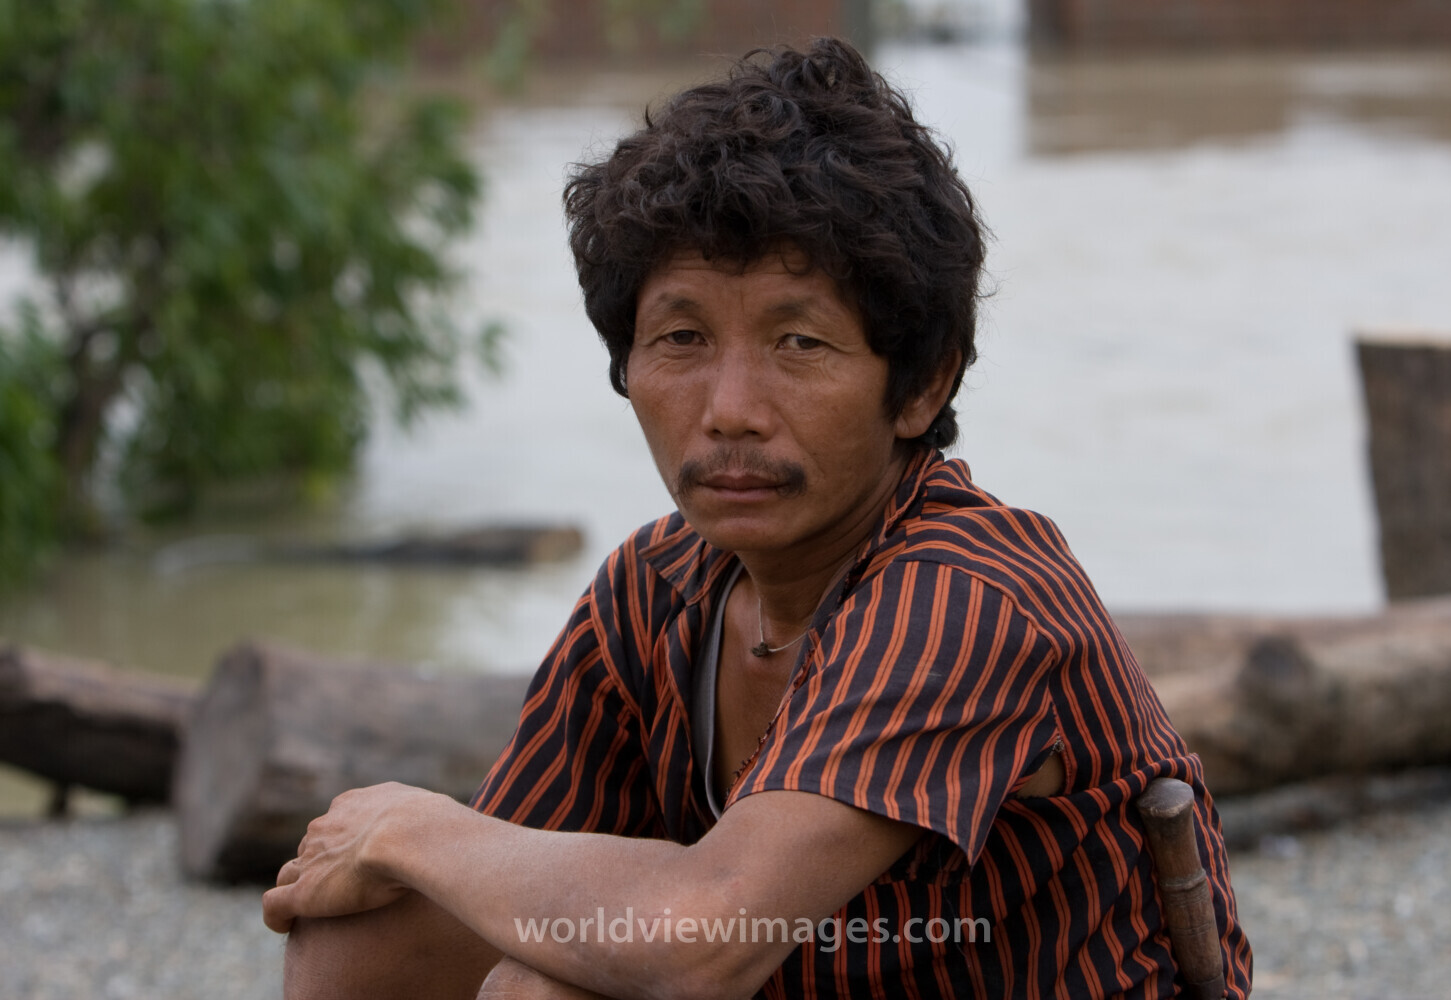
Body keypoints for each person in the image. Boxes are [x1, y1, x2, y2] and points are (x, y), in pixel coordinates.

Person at [262, 37, 1253, 999]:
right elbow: (510, 884)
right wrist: (417, 864)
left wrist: (410, 825)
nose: (730, 405)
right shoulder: (655, 591)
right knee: (371, 933)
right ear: (626, 366)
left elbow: (703, 937)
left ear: (919, 386)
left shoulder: (964, 594)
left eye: (799, 340)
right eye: (682, 336)